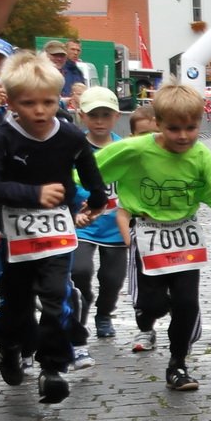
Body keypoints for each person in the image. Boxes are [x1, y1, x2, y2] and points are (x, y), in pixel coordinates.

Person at [0, 51, 108, 403]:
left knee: (55, 298)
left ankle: (53, 369)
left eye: (48, 102)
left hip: (56, 237)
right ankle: (8, 344)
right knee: (16, 307)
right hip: (14, 240)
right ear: (13, 102)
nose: (39, 111)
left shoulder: (69, 136)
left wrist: (95, 200)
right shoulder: (1, 140)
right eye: (28, 103)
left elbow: (89, 168)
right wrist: (34, 194)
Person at [97, 83, 211, 392]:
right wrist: (74, 190)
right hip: (146, 232)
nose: (184, 136)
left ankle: (178, 364)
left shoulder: (200, 155)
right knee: (153, 305)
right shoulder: (136, 149)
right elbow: (91, 168)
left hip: (184, 234)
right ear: (158, 123)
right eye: (174, 128)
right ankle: (147, 314)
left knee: (187, 302)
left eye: (191, 127)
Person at [69, 86, 126, 365]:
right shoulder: (72, 146)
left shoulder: (123, 147)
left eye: (105, 114)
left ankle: (104, 313)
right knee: (80, 270)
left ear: (116, 116)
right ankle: (83, 306)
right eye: (93, 115)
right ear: (82, 116)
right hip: (83, 224)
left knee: (112, 279)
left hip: (115, 227)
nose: (100, 120)